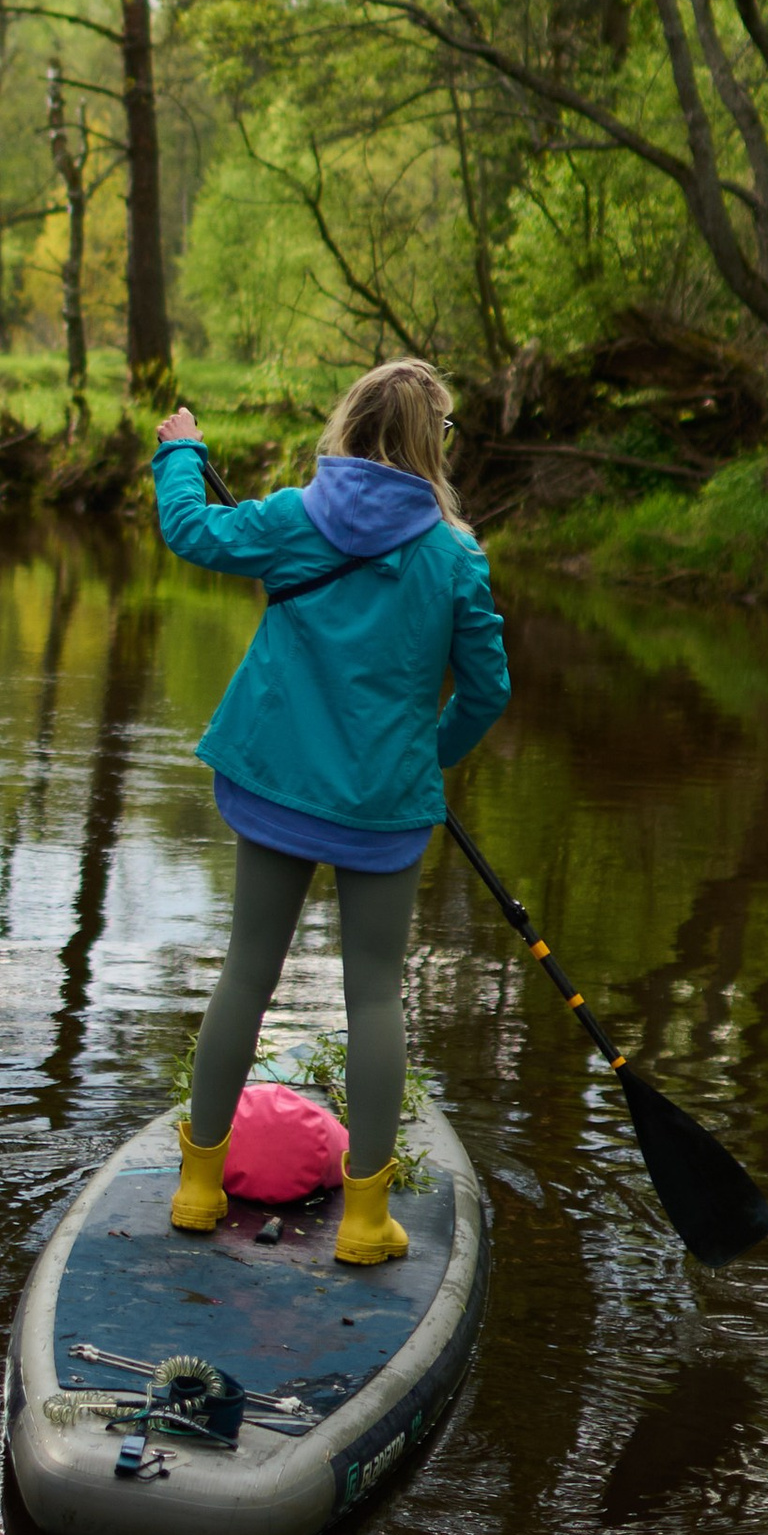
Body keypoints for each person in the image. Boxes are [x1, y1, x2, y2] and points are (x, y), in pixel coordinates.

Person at [149, 358, 511, 1266]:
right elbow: (485, 692)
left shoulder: (291, 518)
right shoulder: (455, 559)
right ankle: (363, 1221)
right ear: (434, 445)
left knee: (246, 973)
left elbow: (189, 530)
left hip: (274, 785)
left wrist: (182, 454)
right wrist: (422, 761)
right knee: (376, 993)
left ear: (348, 427)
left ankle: (198, 1189)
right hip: (383, 809)